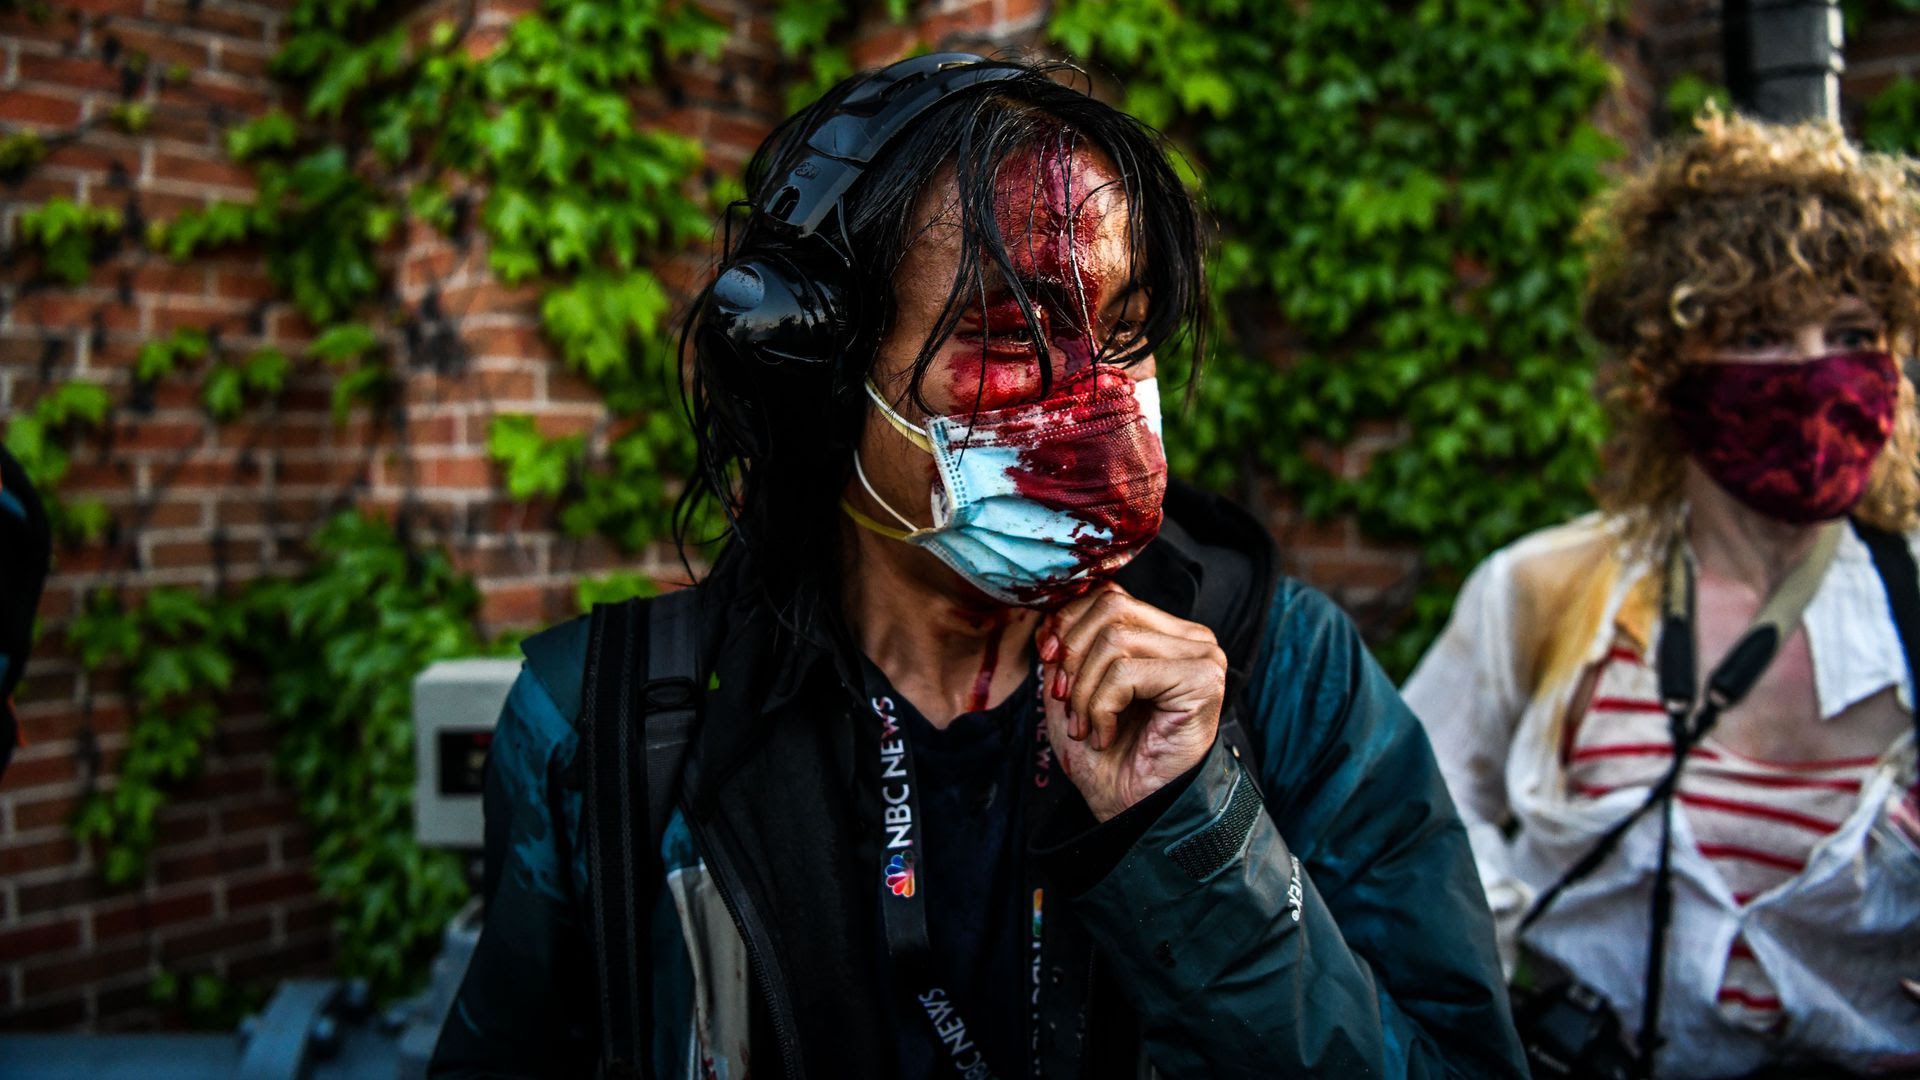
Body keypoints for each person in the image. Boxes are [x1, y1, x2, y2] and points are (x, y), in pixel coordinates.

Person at [433, 54, 1521, 1079]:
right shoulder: (611, 729)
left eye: (1128, 333)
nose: (1104, 411)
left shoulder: (1284, 670)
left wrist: (1195, 835)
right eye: (1012, 344)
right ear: (822, 382)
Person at [1403, 108, 1920, 1078]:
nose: (1815, 371)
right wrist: (1510, 967)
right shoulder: (1545, 591)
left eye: (1852, 331)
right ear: (1662, 371)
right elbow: (1403, 814)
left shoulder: (1911, 613)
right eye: (1763, 333)